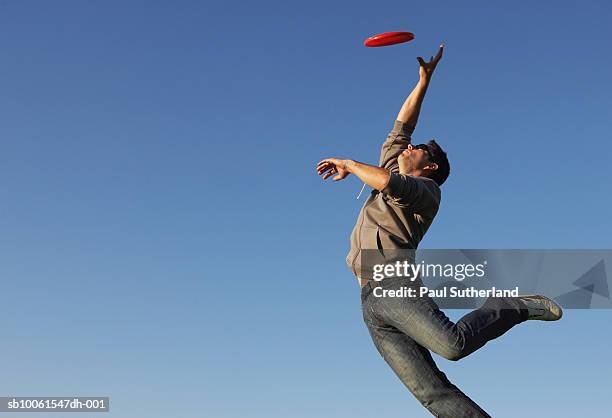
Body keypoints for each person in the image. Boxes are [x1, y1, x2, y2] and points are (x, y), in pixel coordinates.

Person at [316, 44, 562, 418]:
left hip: (393, 284)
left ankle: (511, 306)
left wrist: (349, 163)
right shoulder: (396, 164)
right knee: (431, 394)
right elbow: (403, 125)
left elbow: (386, 182)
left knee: (453, 345)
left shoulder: (427, 192)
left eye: (420, 150)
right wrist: (424, 81)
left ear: (429, 168)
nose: (410, 147)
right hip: (370, 302)